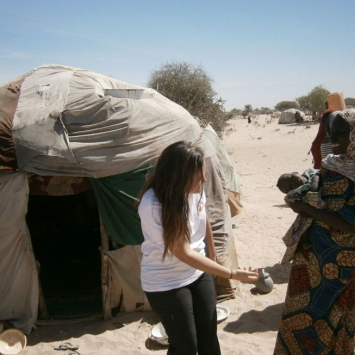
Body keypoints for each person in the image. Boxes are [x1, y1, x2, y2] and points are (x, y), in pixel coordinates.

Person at [138, 141, 258, 355]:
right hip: (166, 283)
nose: (203, 180)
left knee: (209, 340)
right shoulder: (153, 205)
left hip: (198, 272)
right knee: (186, 347)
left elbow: (205, 220)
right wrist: (230, 273)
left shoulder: (195, 190)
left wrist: (213, 260)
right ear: (178, 177)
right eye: (197, 177)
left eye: (202, 174)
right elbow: (183, 251)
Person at [274, 111, 355, 354]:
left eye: (341, 132)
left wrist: (307, 209)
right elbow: (316, 193)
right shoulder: (332, 163)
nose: (333, 138)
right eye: (332, 132)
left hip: (342, 264)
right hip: (311, 258)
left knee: (337, 318)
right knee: (297, 317)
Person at [276, 169, 324, 265]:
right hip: (310, 210)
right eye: (290, 186)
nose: (293, 182)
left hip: (317, 205)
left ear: (295, 172)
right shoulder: (297, 191)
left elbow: (315, 185)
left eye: (290, 178)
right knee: (303, 224)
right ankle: (305, 240)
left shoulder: (310, 173)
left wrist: (316, 178)